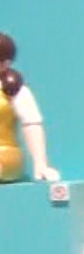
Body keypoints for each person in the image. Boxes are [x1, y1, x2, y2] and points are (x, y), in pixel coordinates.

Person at [0, 31, 60, 183]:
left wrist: (40, 164)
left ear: (5, 63)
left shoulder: (12, 87)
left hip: (5, 154)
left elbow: (31, 123)